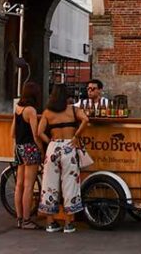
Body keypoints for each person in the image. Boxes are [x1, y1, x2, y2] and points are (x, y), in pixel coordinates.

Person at [37, 84, 88, 233]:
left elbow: (39, 132)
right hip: (69, 146)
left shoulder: (47, 112)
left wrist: (50, 142)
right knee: (70, 184)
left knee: (49, 184)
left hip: (53, 147)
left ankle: (50, 223)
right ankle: (68, 223)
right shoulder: (73, 110)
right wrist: (76, 136)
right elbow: (85, 119)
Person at [11, 80, 43, 230]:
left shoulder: (18, 108)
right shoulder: (31, 110)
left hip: (19, 147)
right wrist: (41, 150)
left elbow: (12, 132)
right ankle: (26, 219)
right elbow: (36, 135)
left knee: (19, 185)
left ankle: (18, 218)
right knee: (29, 186)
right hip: (30, 148)